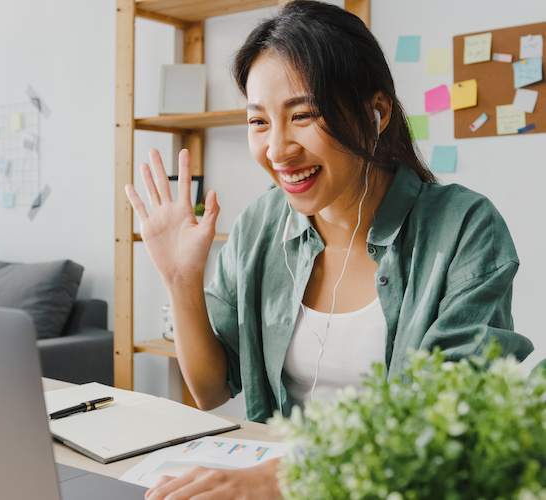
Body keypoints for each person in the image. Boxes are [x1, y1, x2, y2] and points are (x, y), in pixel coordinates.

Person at [124, 1, 534, 498]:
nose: (277, 150)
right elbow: (212, 391)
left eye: (304, 115)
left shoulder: (464, 228)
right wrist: (181, 280)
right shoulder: (260, 224)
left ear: (376, 112)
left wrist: (271, 482)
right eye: (258, 122)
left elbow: (451, 423)